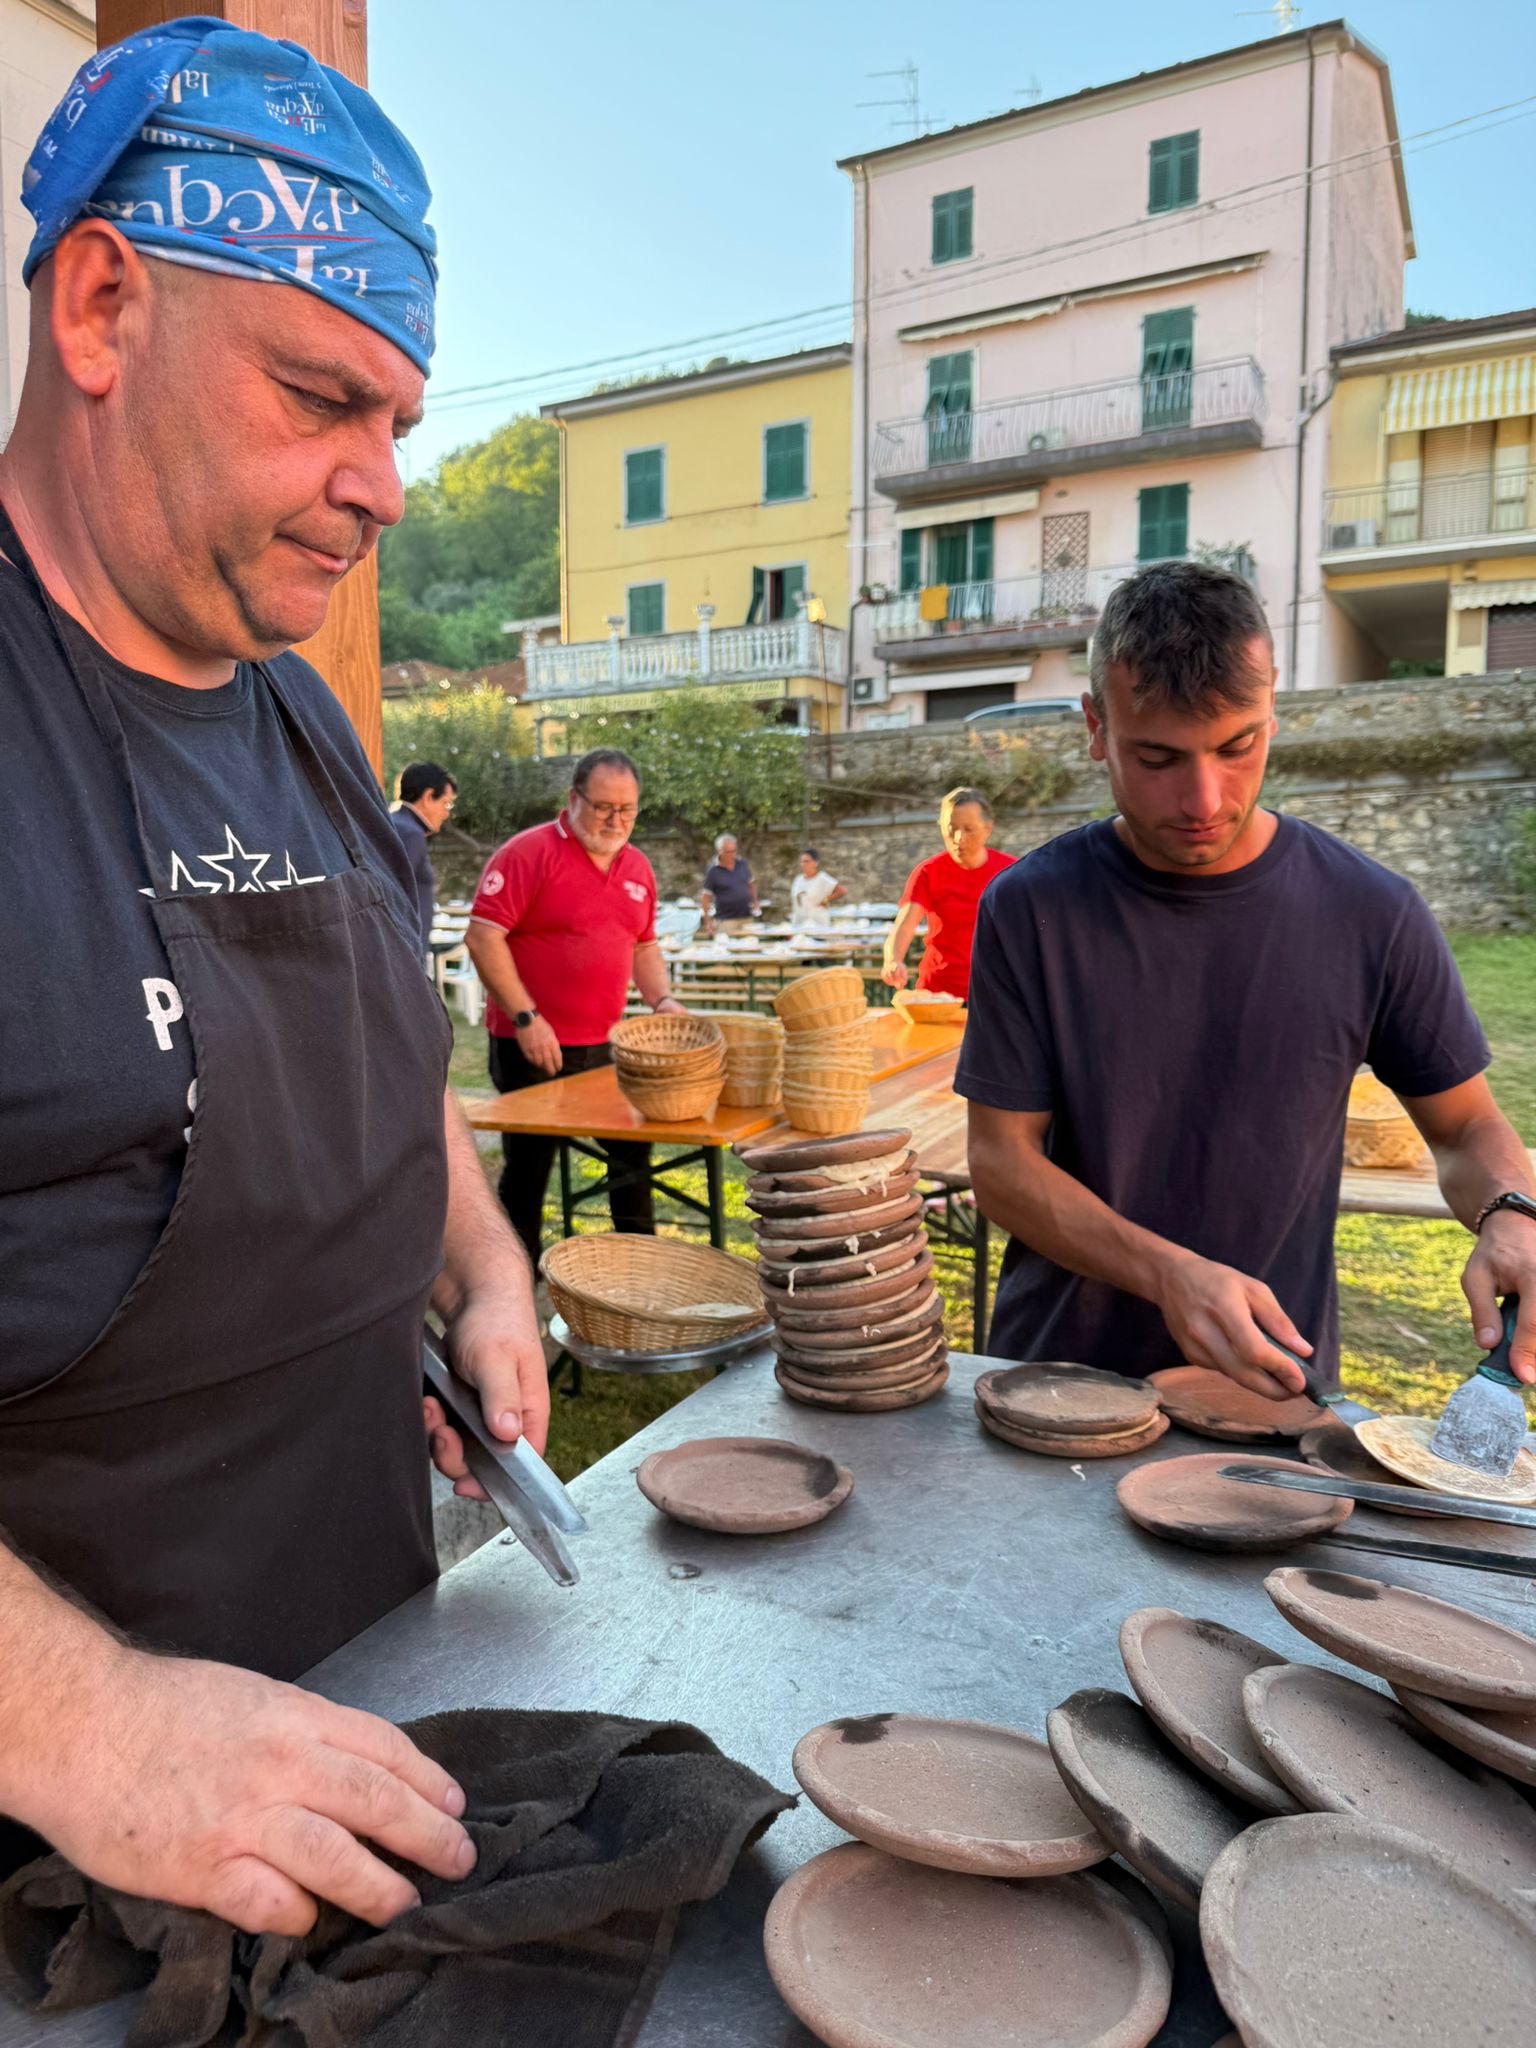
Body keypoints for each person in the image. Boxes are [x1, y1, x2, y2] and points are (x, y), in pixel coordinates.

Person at [0, 20, 548, 1937]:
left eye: (399, 420)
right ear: (100, 305)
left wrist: (464, 1254)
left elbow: (378, 1056)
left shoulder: (307, 724)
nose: (382, 484)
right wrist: (93, 1725)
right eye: (323, 397)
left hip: (362, 1729)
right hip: (56, 1867)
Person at [957, 560, 1536, 1395]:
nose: (1204, 798)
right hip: (1054, 1385)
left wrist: (1511, 1210)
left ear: (1273, 716)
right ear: (1095, 727)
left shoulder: (1370, 911)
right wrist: (1168, 1274)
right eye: (1157, 756)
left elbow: (1466, 1129)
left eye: (1238, 747)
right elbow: (1001, 1162)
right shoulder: (1030, 908)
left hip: (1271, 1392)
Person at [466, 749, 684, 1263]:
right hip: (530, 1042)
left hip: (605, 1045)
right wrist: (526, 1017)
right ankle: (518, 1274)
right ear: (573, 799)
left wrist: (664, 1000)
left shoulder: (637, 867)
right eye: (603, 806)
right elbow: (483, 937)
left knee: (632, 1157)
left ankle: (637, 1264)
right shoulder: (528, 854)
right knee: (529, 1167)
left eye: (627, 809)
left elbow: (643, 945)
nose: (615, 820)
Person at [881, 788, 1013, 999]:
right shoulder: (928, 872)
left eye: (969, 829)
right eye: (951, 829)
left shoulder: (1010, 872)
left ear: (987, 828)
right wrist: (893, 959)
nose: (958, 838)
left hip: (994, 993)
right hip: (938, 993)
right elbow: (905, 924)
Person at [391, 760, 458, 955]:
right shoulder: (410, 833)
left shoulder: (394, 823)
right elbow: (396, 895)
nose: (446, 814)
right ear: (428, 796)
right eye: (446, 803)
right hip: (405, 951)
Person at [699, 831, 758, 931]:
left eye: (734, 851)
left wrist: (755, 902)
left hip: (746, 918)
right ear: (719, 851)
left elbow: (750, 885)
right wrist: (708, 922)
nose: (732, 855)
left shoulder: (742, 864)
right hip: (725, 921)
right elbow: (705, 897)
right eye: (728, 852)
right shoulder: (713, 870)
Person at [790, 847, 846, 927]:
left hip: (818, 923)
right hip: (799, 923)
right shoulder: (798, 879)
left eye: (806, 861)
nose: (803, 864)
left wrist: (825, 900)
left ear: (815, 862)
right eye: (801, 861)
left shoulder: (822, 878)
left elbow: (842, 891)